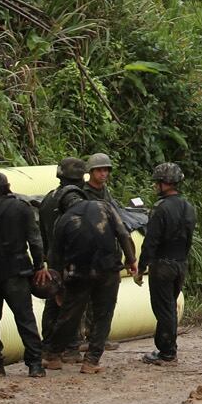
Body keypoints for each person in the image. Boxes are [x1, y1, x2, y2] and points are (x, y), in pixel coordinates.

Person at [50, 154, 134, 373]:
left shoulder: (63, 221)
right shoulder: (104, 207)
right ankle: (91, 362)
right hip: (108, 270)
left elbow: (55, 258)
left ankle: (52, 355)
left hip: (78, 274)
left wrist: (58, 287)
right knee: (103, 315)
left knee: (69, 314)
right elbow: (123, 234)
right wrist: (132, 261)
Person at [0, 171, 45, 378]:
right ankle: (35, 364)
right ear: (8, 186)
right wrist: (39, 266)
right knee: (25, 317)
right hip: (16, 269)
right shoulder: (23, 208)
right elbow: (35, 240)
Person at [136, 162, 194, 365]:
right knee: (169, 306)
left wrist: (141, 267)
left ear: (164, 183)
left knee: (164, 309)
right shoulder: (188, 207)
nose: (155, 187)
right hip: (180, 263)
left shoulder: (160, 209)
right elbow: (188, 239)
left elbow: (150, 242)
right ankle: (167, 348)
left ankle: (168, 351)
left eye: (157, 183)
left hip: (162, 265)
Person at [38, 156, 90, 361]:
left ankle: (49, 345)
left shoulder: (49, 197)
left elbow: (42, 232)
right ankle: (70, 347)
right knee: (73, 302)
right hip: (71, 259)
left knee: (53, 302)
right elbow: (80, 228)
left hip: (53, 258)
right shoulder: (73, 198)